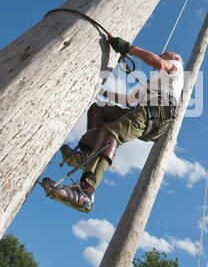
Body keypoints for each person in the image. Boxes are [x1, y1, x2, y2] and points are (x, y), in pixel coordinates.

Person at [42, 37, 184, 213]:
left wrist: (129, 48)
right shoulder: (153, 82)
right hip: (146, 108)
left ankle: (87, 192)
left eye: (166, 53)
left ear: (176, 59)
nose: (162, 54)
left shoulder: (175, 68)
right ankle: (90, 153)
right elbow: (128, 99)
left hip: (159, 110)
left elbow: (160, 63)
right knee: (99, 109)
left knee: (113, 132)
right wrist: (101, 91)